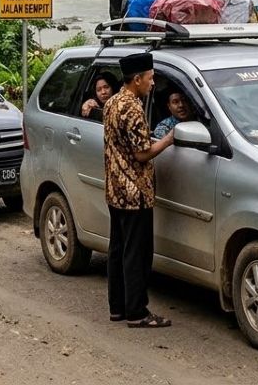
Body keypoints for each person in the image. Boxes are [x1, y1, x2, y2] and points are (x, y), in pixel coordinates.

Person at [104, 52, 176, 328]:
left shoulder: (112, 102)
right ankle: (137, 312)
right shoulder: (132, 108)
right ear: (137, 79)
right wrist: (169, 139)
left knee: (118, 249)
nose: (153, 82)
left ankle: (118, 307)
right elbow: (143, 153)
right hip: (135, 192)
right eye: (150, 77)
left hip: (114, 189)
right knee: (137, 253)